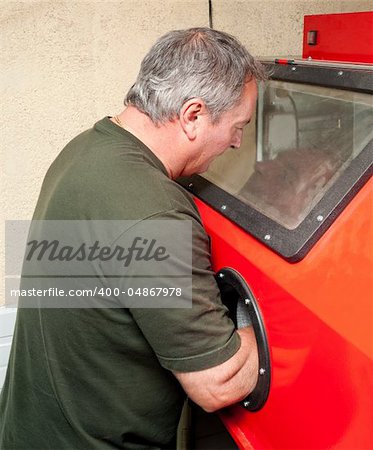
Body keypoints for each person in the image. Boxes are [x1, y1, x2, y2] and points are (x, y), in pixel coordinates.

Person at [0, 27, 266, 449]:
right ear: (193, 115)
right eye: (238, 126)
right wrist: (275, 327)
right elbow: (218, 384)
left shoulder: (88, 147)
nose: (236, 142)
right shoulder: (153, 209)